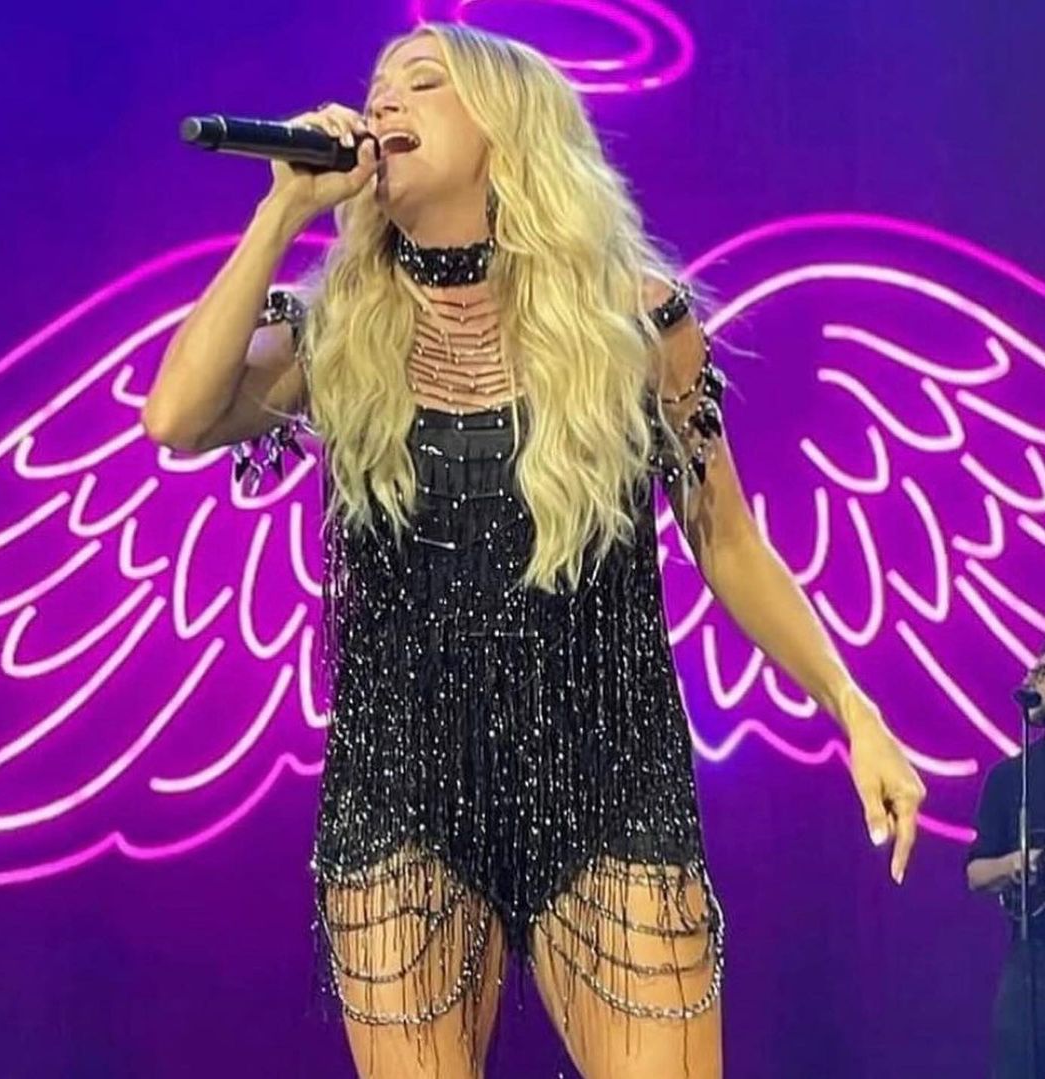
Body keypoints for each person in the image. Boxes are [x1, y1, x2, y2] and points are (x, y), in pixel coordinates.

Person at [142, 22, 926, 1079]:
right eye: (378, 87)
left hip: (607, 773)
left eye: (424, 82)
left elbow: (729, 540)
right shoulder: (341, 331)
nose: (383, 104)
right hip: (403, 787)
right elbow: (177, 417)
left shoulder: (634, 324)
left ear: (508, 129)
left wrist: (854, 709)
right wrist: (281, 211)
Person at [967, 657, 1045, 1079]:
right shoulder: (1010, 778)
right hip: (1032, 958)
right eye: (1031, 671)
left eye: (1043, 672)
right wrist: (1016, 863)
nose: (1029, 679)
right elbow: (975, 873)